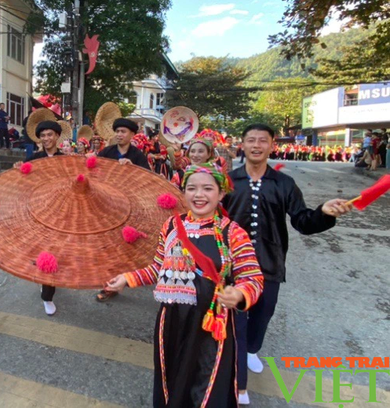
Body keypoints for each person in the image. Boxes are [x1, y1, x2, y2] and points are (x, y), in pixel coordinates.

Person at [105, 163, 264, 408]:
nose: (199, 195)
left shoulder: (232, 233)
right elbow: (159, 268)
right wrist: (127, 279)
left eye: (207, 189)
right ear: (184, 192)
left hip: (212, 323)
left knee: (207, 384)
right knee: (173, 379)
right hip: (172, 320)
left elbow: (253, 277)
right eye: (192, 188)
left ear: (221, 194)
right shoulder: (170, 226)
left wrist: (240, 293)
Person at [223, 123, 353, 405]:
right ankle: (236, 373)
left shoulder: (284, 184)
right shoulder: (228, 181)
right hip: (232, 265)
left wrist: (324, 213)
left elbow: (302, 222)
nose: (256, 146)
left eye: (263, 141)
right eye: (251, 140)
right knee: (236, 319)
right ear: (242, 145)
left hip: (270, 261)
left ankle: (252, 351)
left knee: (263, 313)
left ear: (271, 146)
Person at [94, 118, 151, 302]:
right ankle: (108, 283)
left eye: (123, 131)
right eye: (117, 131)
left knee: (123, 248)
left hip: (129, 207)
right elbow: (96, 172)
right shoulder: (107, 152)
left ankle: (117, 281)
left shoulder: (138, 156)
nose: (119, 134)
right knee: (107, 246)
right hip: (107, 205)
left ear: (132, 135)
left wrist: (133, 169)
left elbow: (147, 180)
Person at [14, 120, 63, 315]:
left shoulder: (66, 159)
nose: (46, 139)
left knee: (57, 250)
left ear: (57, 136)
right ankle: (47, 295)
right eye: (42, 136)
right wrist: (19, 170)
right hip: (39, 211)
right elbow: (24, 183)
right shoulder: (34, 158)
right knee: (44, 248)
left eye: (50, 135)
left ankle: (48, 285)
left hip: (60, 212)